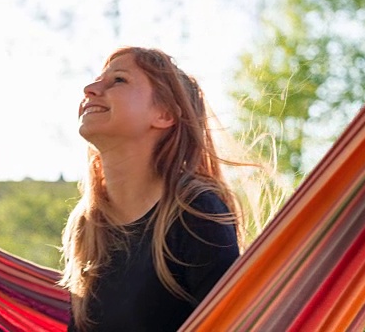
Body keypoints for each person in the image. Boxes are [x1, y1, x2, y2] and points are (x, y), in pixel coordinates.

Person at [61, 47, 243, 331]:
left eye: (118, 80)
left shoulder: (195, 212)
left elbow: (233, 324)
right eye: (97, 79)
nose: (90, 89)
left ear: (164, 113)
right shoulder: (88, 227)